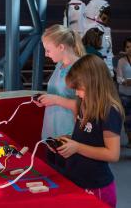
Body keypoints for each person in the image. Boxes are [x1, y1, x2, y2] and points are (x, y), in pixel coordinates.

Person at [55, 54, 124, 208]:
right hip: (76, 178)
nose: (76, 93)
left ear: (94, 83)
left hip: (96, 186)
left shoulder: (109, 111)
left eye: (79, 89)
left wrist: (77, 147)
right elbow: (86, 137)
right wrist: (68, 140)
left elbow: (113, 154)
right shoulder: (84, 104)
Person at [34, 24, 85, 173]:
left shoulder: (80, 68)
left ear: (61, 47)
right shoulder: (60, 66)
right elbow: (58, 94)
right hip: (52, 133)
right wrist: (45, 99)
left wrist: (55, 100)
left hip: (69, 135)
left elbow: (84, 106)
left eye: (48, 50)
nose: (46, 54)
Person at [116, 37, 131, 148]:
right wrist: (125, 81)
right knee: (127, 120)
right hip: (125, 94)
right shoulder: (121, 61)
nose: (130, 49)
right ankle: (130, 139)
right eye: (127, 47)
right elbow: (118, 78)